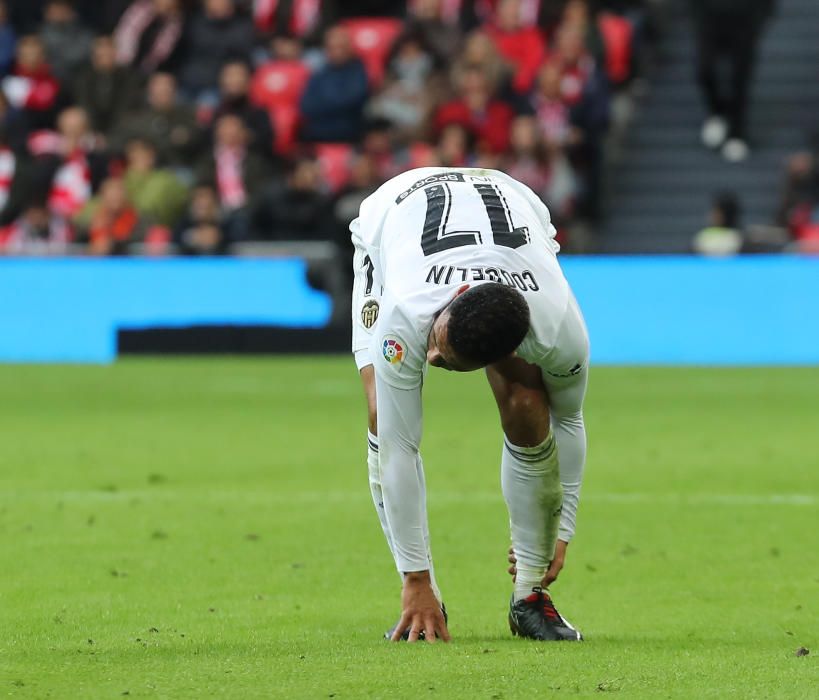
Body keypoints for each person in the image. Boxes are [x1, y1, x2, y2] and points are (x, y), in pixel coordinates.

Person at [350, 167, 589, 643]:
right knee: (384, 412)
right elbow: (401, 448)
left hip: (518, 215)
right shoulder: (408, 311)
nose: (432, 357)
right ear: (451, 303)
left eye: (450, 363)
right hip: (393, 214)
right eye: (438, 344)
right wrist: (415, 577)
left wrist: (560, 529)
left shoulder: (559, 328)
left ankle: (530, 597)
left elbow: (568, 420)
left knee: (526, 403)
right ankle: (421, 596)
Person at [690, 0, 775, 162]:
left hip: (744, 21)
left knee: (740, 79)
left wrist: (760, 19)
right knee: (705, 69)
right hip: (709, 19)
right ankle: (717, 113)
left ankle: (737, 133)